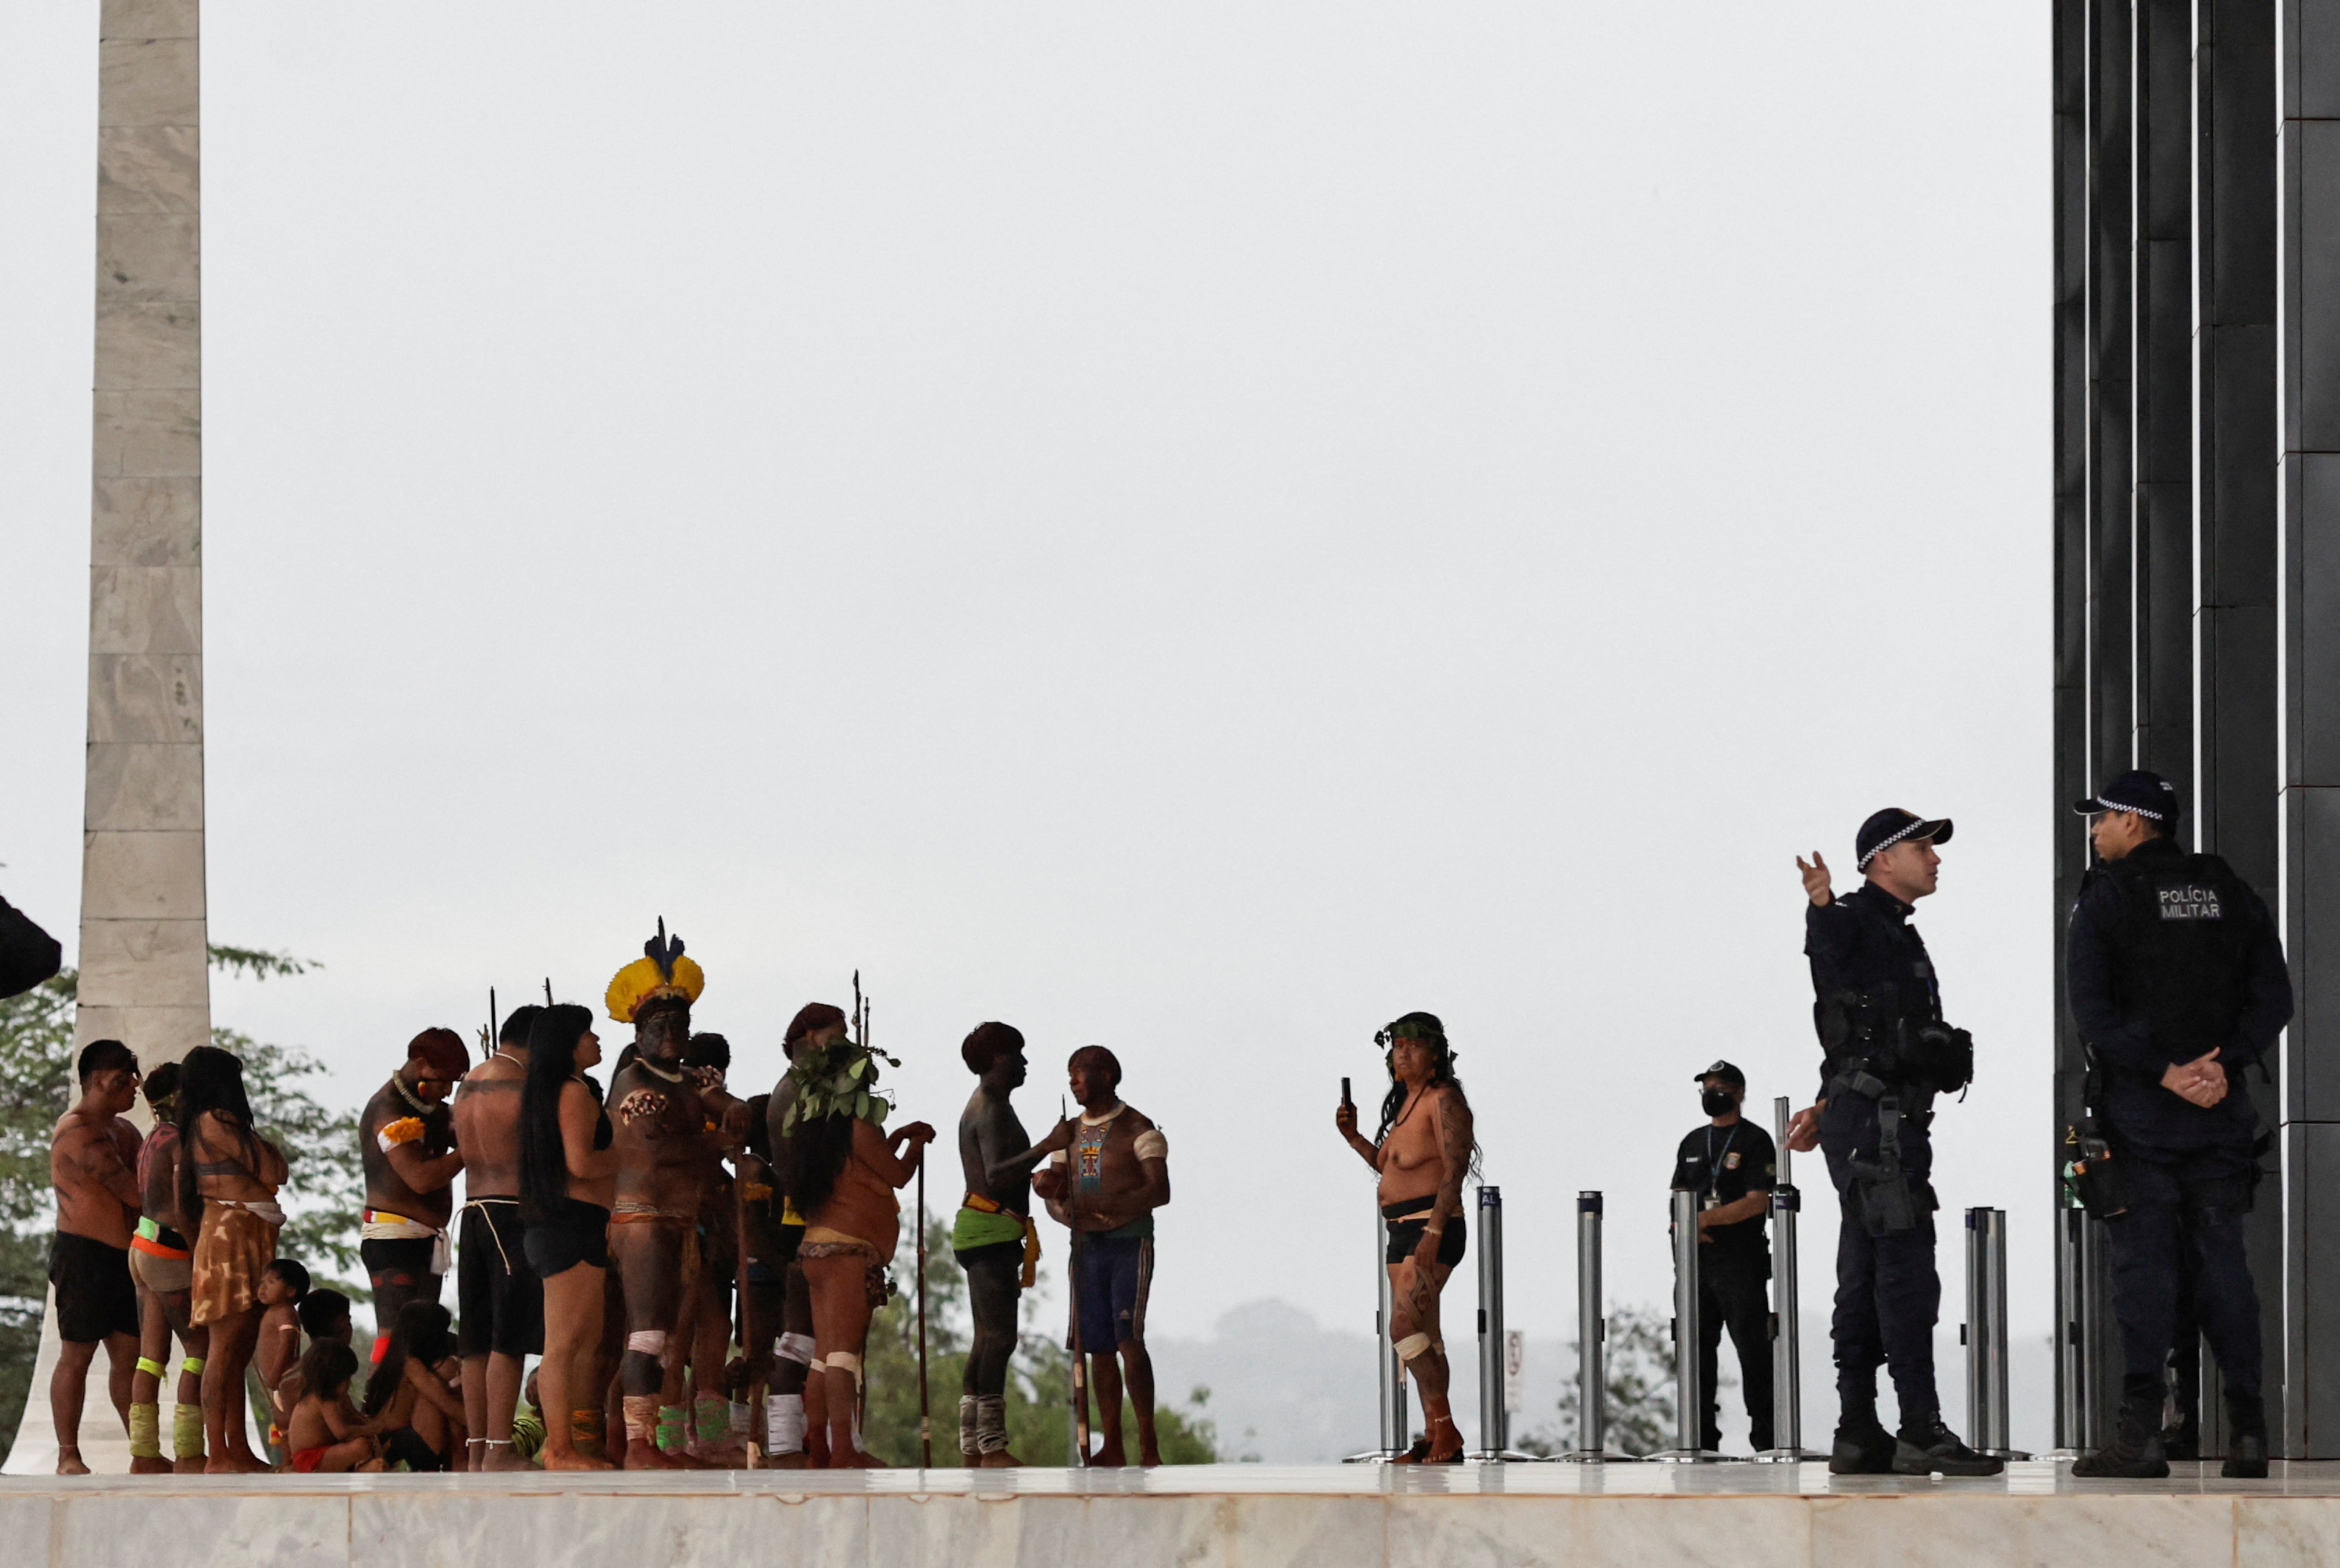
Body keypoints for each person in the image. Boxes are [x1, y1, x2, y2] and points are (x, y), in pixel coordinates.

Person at [2063, 770, 2291, 1479]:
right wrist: (2225, 1064)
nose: (2094, 830)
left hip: (2144, 1118)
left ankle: (2141, 1434)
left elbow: (2093, 1013)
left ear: (2135, 822)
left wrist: (2165, 1071)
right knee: (2224, 1263)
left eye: (2101, 819)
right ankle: (2248, 1431)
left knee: (2146, 1269)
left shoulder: (2106, 900)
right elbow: (2274, 995)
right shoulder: (2229, 891)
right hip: (2221, 1115)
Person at [1786, 809, 1999, 1477]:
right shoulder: (1855, 918)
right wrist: (1820, 901)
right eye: (1920, 847)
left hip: (1872, 1116)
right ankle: (1918, 1426)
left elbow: (1858, 1028)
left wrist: (1833, 1103)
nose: (1935, 858)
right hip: (1878, 1126)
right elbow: (1830, 949)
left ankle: (1857, 1427)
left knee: (1867, 1268)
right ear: (1882, 860)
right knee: (1905, 1269)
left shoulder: (1897, 931)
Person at [773, 1009, 936, 1467]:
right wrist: (918, 1143)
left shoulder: (815, 1125)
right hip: (847, 1252)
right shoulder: (857, 1125)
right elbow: (898, 1174)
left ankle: (820, 1447)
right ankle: (843, 1449)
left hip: (816, 1249)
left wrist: (898, 1136)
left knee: (825, 1357)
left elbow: (866, 1163)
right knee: (843, 1355)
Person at [601, 925, 733, 1468]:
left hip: (677, 1223)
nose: (674, 1033)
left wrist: (729, 1110)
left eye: (681, 1023)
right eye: (661, 1024)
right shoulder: (637, 1083)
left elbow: (709, 1112)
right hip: (645, 1220)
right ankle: (637, 1445)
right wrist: (717, 1141)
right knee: (650, 1332)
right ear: (640, 1032)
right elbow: (656, 1153)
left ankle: (655, 1440)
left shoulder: (681, 1080)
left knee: (670, 1336)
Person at [1332, 1012, 1473, 1464]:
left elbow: (1455, 1169)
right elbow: (1388, 1165)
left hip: (1432, 1225)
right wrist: (1353, 1136)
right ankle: (1435, 1434)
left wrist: (1434, 1229)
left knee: (1402, 1326)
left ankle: (1447, 1428)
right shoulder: (1405, 1106)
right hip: (1399, 1229)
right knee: (1425, 1334)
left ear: (1434, 1053)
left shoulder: (1443, 1099)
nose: (1403, 1052)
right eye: (1397, 1045)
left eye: (1413, 1044)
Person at [1029, 1045, 1170, 1468]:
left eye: (1080, 1073)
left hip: (1129, 1244)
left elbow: (1159, 1190)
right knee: (1097, 1346)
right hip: (1086, 1247)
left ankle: (1147, 1440)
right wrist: (1055, 1201)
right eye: (1070, 1075)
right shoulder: (1067, 1134)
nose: (1073, 1081)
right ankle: (1113, 1443)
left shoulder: (1138, 1128)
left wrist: (1114, 1208)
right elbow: (1057, 1197)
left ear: (1106, 1076)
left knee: (1128, 1338)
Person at [179, 1042, 288, 1472]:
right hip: (230, 1234)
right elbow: (273, 1169)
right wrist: (263, 1146)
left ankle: (238, 1447)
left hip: (244, 1231)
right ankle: (219, 1452)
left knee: (239, 1348)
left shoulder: (209, 1124)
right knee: (224, 1347)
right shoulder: (213, 1121)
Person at [519, 1002, 619, 1470]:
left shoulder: (550, 1092)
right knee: (565, 1342)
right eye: (588, 1034)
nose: (596, 1041)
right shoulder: (574, 1091)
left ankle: (576, 1441)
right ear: (568, 1043)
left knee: (585, 1340)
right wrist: (625, 1151)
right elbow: (581, 1162)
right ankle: (558, 1446)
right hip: (570, 1223)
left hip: (571, 1223)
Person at [452, 1003, 545, 1471]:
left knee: (476, 1339)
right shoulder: (524, 1087)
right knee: (507, 1338)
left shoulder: (468, 1086)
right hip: (511, 1213)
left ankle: (476, 1450)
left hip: (471, 1212)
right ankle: (499, 1449)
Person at [48, 1038, 144, 1475]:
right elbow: (136, 1191)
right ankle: (68, 1452)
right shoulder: (79, 1131)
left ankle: (143, 1451)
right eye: (127, 1079)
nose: (136, 1087)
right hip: (85, 1254)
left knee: (130, 1359)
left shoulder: (127, 1132)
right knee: (77, 1355)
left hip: (128, 1258)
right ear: (103, 1079)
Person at [950, 1022, 1044, 1466]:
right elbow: (996, 1176)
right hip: (989, 1231)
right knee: (1000, 1336)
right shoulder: (989, 1108)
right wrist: (1047, 1146)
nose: (1024, 1064)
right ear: (992, 1061)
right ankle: (991, 1445)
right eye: (1015, 1055)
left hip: (988, 1231)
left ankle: (973, 1444)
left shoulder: (991, 1105)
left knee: (987, 1337)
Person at [1670, 1060, 1776, 1454]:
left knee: (1754, 1353)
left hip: (1741, 1262)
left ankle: (1767, 1440)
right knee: (1695, 1354)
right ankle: (1700, 1441)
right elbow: (1678, 1197)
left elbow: (1757, 1202)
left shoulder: (1755, 1141)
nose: (1712, 1094)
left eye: (1720, 1087)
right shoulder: (1693, 1143)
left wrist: (1704, 1218)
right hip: (1697, 1264)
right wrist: (1683, 1228)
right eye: (1707, 1088)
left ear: (1739, 1092)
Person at [760, 1004, 844, 1467]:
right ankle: (787, 1445)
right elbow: (810, 1164)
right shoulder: (796, 1090)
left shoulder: (805, 1087)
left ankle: (809, 1442)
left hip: (809, 1218)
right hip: (801, 1222)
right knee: (800, 1338)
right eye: (837, 1033)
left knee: (818, 1338)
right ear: (811, 1035)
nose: (843, 1042)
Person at [358, 1028, 468, 1363]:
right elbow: (420, 1179)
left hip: (425, 1241)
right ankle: (379, 1411)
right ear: (420, 1064)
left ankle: (406, 1414)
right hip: (394, 1242)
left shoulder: (431, 1107)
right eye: (442, 1080)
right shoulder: (388, 1110)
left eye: (454, 1083)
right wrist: (471, 1149)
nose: (447, 1090)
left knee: (422, 1341)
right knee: (395, 1336)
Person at [126, 1061, 206, 1474]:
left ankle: (143, 1453)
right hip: (170, 1252)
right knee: (199, 1349)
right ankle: (190, 1453)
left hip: (142, 1246)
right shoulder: (179, 1140)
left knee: (150, 1356)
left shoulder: (150, 1139)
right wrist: (198, 1253)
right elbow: (182, 1205)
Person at [362, 1300, 466, 1470]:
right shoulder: (411, 1365)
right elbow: (446, 1404)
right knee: (433, 1400)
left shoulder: (392, 1360)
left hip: (395, 1438)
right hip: (393, 1441)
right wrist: (489, 1430)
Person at [283, 1340, 383, 1473]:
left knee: (365, 1443)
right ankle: (359, 1471)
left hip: (324, 1453)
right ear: (331, 1379)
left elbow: (354, 1416)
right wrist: (370, 1430)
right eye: (346, 1379)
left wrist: (375, 1428)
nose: (349, 1385)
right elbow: (342, 1433)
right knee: (361, 1447)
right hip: (310, 1460)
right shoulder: (324, 1400)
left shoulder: (335, 1398)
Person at [254, 1257, 310, 1458]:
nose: (263, 1288)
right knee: (282, 1423)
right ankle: (287, 1462)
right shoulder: (274, 1311)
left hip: (286, 1378)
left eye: (272, 1283)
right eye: (262, 1282)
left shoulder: (284, 1313)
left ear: (290, 1291)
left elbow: (288, 1341)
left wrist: (276, 1373)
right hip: (280, 1382)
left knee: (289, 1422)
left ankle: (294, 1461)